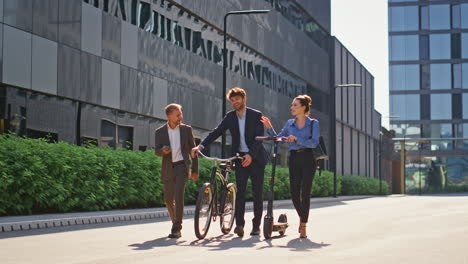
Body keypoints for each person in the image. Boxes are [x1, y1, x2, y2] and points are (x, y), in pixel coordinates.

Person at [191, 87, 268, 237]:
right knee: (240, 192)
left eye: (237, 99)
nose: (235, 102)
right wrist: (201, 145)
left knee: (257, 193)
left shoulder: (256, 115)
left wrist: (251, 155)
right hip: (239, 158)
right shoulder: (230, 117)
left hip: (256, 159)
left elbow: (259, 139)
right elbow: (217, 131)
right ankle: (239, 224)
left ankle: (256, 226)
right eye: (232, 101)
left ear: (244, 99)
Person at [260, 95, 319, 238]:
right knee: (294, 194)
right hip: (294, 158)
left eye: (295, 105)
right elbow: (278, 139)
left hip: (308, 158)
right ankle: (303, 216)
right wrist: (269, 128)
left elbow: (314, 142)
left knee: (305, 193)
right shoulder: (289, 123)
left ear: (303, 107)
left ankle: (303, 225)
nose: (291, 107)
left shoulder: (313, 123)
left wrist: (297, 139)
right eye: (292, 105)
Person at [155, 103, 199, 238]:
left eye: (181, 114)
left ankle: (176, 228)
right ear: (169, 116)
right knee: (168, 200)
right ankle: (176, 222)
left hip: (182, 167)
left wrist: (195, 170)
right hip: (168, 167)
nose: (181, 117)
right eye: (178, 114)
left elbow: (194, 150)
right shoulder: (160, 132)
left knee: (178, 196)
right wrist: (163, 151)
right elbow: (157, 151)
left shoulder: (186, 130)